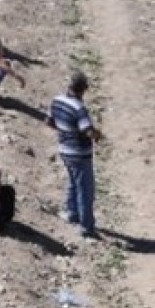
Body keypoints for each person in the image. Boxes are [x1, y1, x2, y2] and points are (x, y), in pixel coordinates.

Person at [49, 73, 102, 239]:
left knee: (73, 182)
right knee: (85, 190)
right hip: (79, 153)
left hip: (64, 149)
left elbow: (49, 121)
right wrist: (97, 135)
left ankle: (71, 212)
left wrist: (65, 131)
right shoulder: (79, 108)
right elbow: (88, 131)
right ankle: (87, 227)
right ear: (83, 89)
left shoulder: (57, 101)